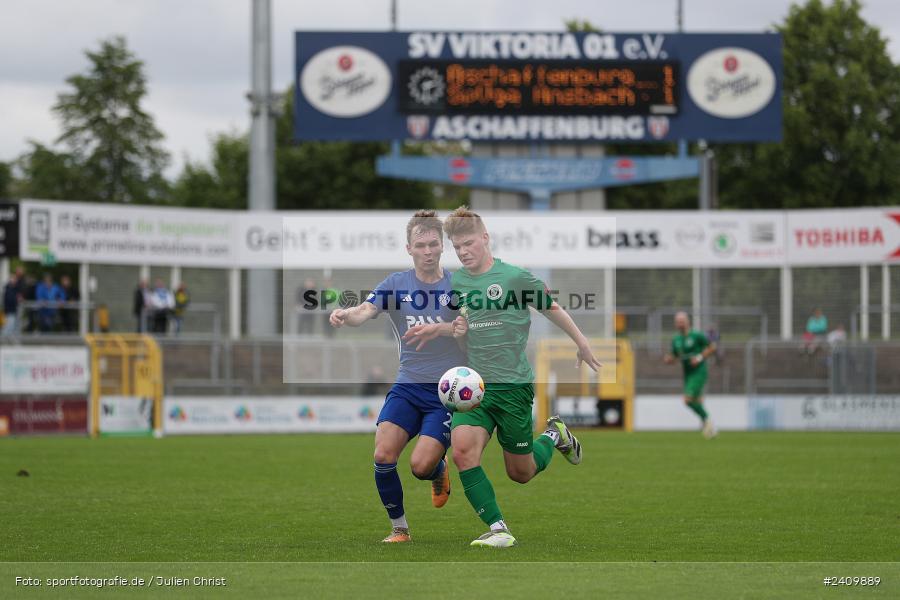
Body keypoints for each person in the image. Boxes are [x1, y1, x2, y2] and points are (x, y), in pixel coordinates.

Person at [437, 206, 600, 548]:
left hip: (513, 387)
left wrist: (582, 343)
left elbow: (552, 308)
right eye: (457, 247)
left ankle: (554, 435)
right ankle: (498, 529)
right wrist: (458, 333)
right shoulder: (457, 283)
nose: (463, 252)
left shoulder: (515, 278)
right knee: (462, 453)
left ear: (485, 238)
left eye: (468, 243)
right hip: (476, 388)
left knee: (520, 472)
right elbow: (461, 332)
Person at [329, 210, 466, 544]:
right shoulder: (395, 285)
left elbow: (471, 329)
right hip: (407, 384)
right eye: (421, 245)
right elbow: (365, 310)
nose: (428, 251)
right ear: (409, 249)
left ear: (442, 245)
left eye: (433, 244)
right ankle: (400, 529)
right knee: (382, 455)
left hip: (445, 392)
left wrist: (447, 328)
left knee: (420, 467)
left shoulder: (459, 286)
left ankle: (437, 469)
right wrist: (347, 314)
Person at [664, 311, 718, 439]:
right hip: (687, 373)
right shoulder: (676, 339)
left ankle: (708, 421)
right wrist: (669, 359)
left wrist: (699, 358)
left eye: (682, 321)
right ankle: (708, 427)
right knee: (696, 400)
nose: (680, 324)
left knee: (687, 400)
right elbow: (674, 356)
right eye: (678, 322)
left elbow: (712, 347)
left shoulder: (697, 335)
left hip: (699, 372)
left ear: (688, 321)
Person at [2, 267, 25, 336]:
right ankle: (3, 339)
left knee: (12, 326)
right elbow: (9, 299)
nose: (15, 280)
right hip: (9, 310)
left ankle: (9, 339)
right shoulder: (9, 288)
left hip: (12, 309)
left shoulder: (14, 288)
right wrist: (17, 299)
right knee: (9, 326)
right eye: (13, 279)